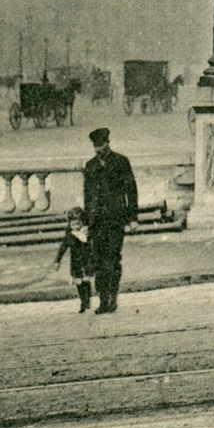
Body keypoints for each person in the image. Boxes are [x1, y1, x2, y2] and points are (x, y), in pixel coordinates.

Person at [84, 128, 137, 316]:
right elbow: (88, 196)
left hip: (115, 221)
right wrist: (86, 223)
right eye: (96, 146)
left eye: (101, 145)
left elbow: (131, 190)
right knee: (98, 261)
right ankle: (103, 299)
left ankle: (113, 297)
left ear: (108, 143)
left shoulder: (121, 162)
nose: (99, 149)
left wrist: (132, 218)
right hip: (97, 223)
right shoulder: (90, 166)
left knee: (112, 260)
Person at [53, 206, 96, 313]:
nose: (76, 227)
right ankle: (83, 302)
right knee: (78, 282)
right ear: (69, 225)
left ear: (82, 222)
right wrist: (57, 261)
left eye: (78, 224)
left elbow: (93, 246)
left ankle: (87, 300)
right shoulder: (69, 236)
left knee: (85, 280)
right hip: (76, 263)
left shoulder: (86, 234)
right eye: (73, 225)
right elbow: (62, 248)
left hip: (86, 262)